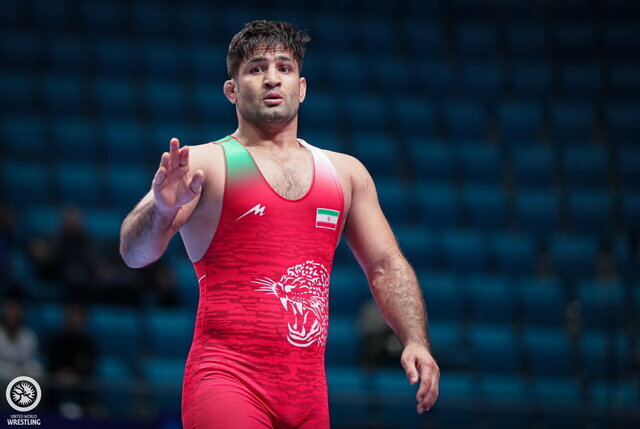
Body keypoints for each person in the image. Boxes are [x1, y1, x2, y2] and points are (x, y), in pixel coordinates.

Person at [120, 20, 439, 428]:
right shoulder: (204, 164)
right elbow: (134, 254)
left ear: (301, 88)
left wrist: (415, 339)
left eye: (284, 68)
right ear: (231, 90)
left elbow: (386, 265)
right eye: (256, 69)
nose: (272, 78)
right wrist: (161, 212)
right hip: (227, 381)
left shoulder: (345, 173)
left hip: (308, 396)